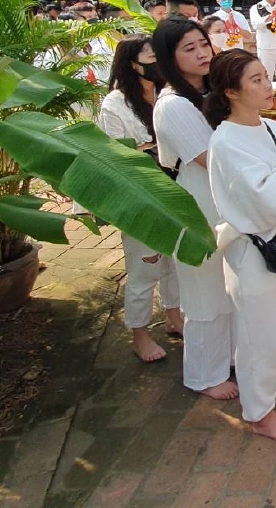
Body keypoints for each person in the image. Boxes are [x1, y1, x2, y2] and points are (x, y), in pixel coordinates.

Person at [204, 49, 276, 443]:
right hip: (254, 248)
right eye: (255, 80)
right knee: (259, 334)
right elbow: (273, 199)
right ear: (231, 92)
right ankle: (259, 410)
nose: (267, 85)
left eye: (264, 76)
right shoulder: (226, 141)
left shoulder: (269, 128)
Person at [150, 18, 238, 401]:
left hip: (225, 198)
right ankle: (205, 375)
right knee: (204, 290)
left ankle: (229, 359)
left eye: (203, 43)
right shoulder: (173, 105)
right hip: (198, 202)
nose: (203, 52)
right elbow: (211, 157)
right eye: (189, 48)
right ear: (170, 58)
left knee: (228, 285)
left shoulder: (210, 91)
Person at [97, 35, 184, 362]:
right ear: (133, 64)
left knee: (176, 261)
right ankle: (140, 333)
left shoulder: (167, 94)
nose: (158, 65)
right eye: (151, 58)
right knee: (145, 265)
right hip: (141, 193)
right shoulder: (115, 103)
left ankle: (175, 318)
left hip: (175, 188)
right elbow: (118, 152)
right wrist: (153, 147)